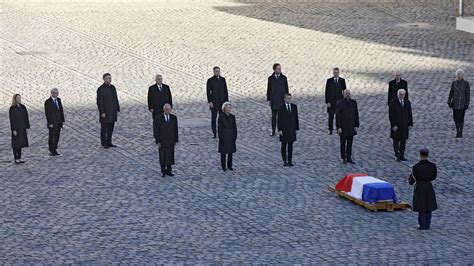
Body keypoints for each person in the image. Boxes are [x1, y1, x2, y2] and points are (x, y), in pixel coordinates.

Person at [408, 148, 437, 230]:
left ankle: (422, 225)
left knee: (421, 207)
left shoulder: (416, 167)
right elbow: (434, 176)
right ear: (427, 155)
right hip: (428, 186)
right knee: (429, 206)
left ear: (420, 155)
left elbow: (412, 179)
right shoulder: (432, 166)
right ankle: (427, 225)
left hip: (420, 187)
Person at [97, 73, 120, 148]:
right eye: (108, 78)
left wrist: (117, 108)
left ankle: (109, 141)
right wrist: (102, 112)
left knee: (111, 127)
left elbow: (115, 98)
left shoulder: (113, 87)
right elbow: (99, 102)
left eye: (110, 78)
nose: (109, 80)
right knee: (104, 128)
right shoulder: (101, 89)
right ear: (104, 79)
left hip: (112, 111)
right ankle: (104, 143)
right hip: (105, 112)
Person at [154, 104, 179, 177]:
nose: (168, 111)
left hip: (171, 139)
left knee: (170, 155)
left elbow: (175, 129)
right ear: (164, 110)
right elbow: (156, 130)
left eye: (169, 109)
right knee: (163, 155)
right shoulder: (158, 118)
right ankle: (163, 170)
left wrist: (176, 139)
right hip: (162, 140)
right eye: (167, 109)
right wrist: (157, 140)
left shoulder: (174, 118)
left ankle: (169, 169)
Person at [389, 89, 413, 162]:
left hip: (404, 126)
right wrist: (393, 125)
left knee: (403, 141)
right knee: (396, 141)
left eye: (402, 94)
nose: (401, 96)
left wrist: (410, 124)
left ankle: (402, 155)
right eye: (400, 94)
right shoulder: (393, 102)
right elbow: (391, 115)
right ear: (397, 94)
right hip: (396, 126)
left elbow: (410, 114)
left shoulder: (407, 102)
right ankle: (397, 154)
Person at [336, 89, 359, 164]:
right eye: (346, 93)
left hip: (351, 126)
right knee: (343, 143)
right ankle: (343, 157)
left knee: (350, 143)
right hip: (343, 126)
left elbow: (356, 114)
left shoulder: (353, 102)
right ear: (343, 94)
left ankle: (349, 157)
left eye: (349, 93)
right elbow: (338, 116)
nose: (348, 94)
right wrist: (338, 127)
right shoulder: (340, 103)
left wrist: (356, 125)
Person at [148, 74, 173, 141]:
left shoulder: (166, 87)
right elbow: (149, 98)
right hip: (156, 109)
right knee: (157, 122)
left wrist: (170, 106)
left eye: (161, 79)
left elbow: (169, 97)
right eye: (158, 79)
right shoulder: (152, 88)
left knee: (166, 121)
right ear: (155, 80)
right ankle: (157, 136)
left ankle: (166, 135)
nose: (160, 80)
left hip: (165, 108)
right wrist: (151, 107)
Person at [267, 63, 289, 136]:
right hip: (274, 100)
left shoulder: (283, 78)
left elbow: (286, 89)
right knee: (273, 117)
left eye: (280, 68)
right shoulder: (270, 78)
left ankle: (281, 130)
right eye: (278, 68)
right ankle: (273, 131)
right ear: (274, 69)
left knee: (281, 117)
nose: (279, 70)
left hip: (281, 100)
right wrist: (269, 99)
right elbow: (269, 89)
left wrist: (287, 99)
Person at [206, 66, 228, 138]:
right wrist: (210, 102)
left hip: (222, 103)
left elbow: (225, 91)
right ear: (214, 72)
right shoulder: (210, 80)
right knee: (214, 119)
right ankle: (214, 133)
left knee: (222, 119)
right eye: (216, 71)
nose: (217, 72)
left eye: (218, 71)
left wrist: (226, 102)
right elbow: (208, 92)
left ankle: (222, 132)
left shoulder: (223, 79)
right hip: (214, 103)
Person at [277, 93, 299, 166]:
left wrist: (296, 128)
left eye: (290, 98)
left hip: (291, 129)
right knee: (284, 145)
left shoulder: (294, 107)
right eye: (287, 98)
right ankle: (284, 160)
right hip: (284, 129)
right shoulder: (281, 108)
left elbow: (296, 118)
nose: (289, 100)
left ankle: (290, 160)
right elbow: (279, 119)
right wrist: (279, 129)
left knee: (290, 145)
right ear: (284, 99)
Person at [448, 69, 470, 138]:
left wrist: (467, 103)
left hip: (462, 104)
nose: (459, 76)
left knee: (461, 118)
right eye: (458, 75)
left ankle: (461, 132)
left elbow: (468, 94)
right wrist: (449, 101)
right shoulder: (454, 83)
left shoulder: (466, 83)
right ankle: (458, 131)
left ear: (463, 76)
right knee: (456, 118)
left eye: (461, 75)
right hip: (455, 103)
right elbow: (451, 92)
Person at [9, 94, 30, 164]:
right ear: (15, 99)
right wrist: (13, 129)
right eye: (17, 98)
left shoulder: (23, 107)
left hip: (22, 127)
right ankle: (16, 158)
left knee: (21, 143)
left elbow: (26, 117)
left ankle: (20, 157)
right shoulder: (12, 108)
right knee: (16, 144)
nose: (19, 99)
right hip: (16, 127)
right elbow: (12, 119)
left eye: (20, 98)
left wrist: (27, 127)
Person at [325, 67, 346, 135]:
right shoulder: (329, 81)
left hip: (339, 101)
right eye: (335, 72)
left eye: (337, 72)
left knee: (339, 116)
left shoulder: (342, 80)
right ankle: (330, 129)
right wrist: (327, 102)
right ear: (333, 73)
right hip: (331, 101)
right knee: (331, 116)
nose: (336, 74)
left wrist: (344, 101)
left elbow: (344, 91)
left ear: (339, 73)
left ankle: (338, 129)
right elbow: (327, 92)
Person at [44, 88, 65, 156]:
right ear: (52, 93)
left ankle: (55, 148)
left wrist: (62, 120)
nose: (57, 94)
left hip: (58, 122)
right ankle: (51, 149)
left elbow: (61, 110)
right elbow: (47, 113)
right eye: (56, 93)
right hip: (52, 122)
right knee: (52, 136)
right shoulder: (48, 102)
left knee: (57, 136)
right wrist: (50, 123)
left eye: (57, 93)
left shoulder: (58, 100)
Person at [218, 102, 237, 171]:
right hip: (224, 136)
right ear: (224, 108)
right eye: (228, 107)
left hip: (231, 136)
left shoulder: (232, 117)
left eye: (230, 107)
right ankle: (223, 166)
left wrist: (235, 135)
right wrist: (220, 137)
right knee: (223, 153)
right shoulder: (221, 117)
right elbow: (219, 128)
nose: (229, 109)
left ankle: (230, 165)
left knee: (230, 152)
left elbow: (235, 127)